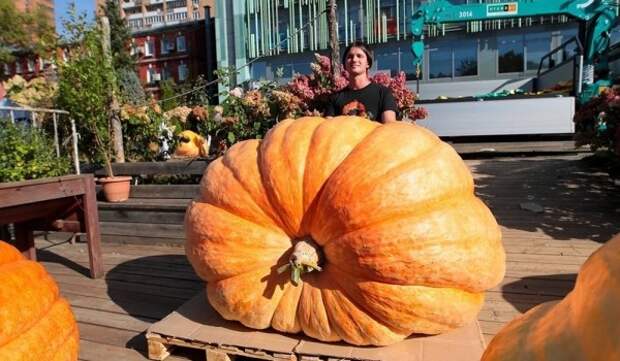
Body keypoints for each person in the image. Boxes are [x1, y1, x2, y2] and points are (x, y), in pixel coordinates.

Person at [325, 41, 398, 123]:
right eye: (350, 57)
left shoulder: (383, 93)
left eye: (359, 56)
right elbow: (328, 130)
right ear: (345, 64)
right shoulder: (335, 98)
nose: (354, 59)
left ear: (368, 63)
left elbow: (390, 128)